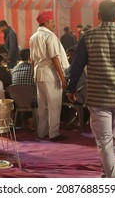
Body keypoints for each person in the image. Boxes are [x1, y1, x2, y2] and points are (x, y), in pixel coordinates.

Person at [67, 0, 115, 178]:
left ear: (98, 15)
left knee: (104, 142)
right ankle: (107, 173)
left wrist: (71, 89)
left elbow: (76, 66)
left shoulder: (88, 37)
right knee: (113, 140)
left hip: (98, 99)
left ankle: (113, 179)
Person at [30, 10, 69, 142]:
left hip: (39, 73)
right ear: (46, 23)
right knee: (54, 105)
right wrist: (62, 77)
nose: (54, 25)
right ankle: (54, 133)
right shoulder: (50, 37)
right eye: (52, 22)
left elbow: (32, 60)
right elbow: (54, 58)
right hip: (50, 74)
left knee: (43, 105)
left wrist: (33, 74)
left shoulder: (33, 37)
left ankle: (42, 132)